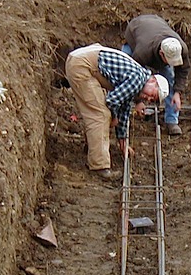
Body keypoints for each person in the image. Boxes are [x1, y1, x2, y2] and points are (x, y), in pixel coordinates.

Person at [65, 43, 169, 180]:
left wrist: (123, 141)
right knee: (101, 114)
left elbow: (124, 110)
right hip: (82, 66)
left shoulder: (138, 78)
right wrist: (114, 117)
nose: (148, 98)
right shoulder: (137, 79)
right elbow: (112, 101)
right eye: (152, 95)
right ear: (153, 82)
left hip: (81, 61)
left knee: (101, 112)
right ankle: (99, 166)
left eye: (151, 100)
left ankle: (93, 147)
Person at [122, 14, 190, 136]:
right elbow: (132, 77)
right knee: (123, 71)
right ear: (161, 53)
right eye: (169, 60)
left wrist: (177, 92)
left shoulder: (180, 48)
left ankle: (172, 121)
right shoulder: (142, 53)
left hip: (156, 24)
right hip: (136, 30)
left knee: (169, 77)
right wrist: (138, 101)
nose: (171, 63)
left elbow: (183, 70)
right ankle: (121, 115)